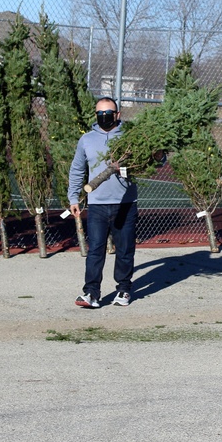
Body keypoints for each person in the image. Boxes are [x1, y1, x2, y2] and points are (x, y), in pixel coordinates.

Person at [68, 97, 139, 308]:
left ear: (117, 115)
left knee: (125, 250)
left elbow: (153, 159)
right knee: (95, 250)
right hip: (97, 204)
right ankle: (91, 293)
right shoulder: (87, 140)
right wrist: (73, 197)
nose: (104, 117)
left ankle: (124, 289)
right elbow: (77, 169)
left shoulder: (131, 137)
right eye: (100, 113)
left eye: (108, 113)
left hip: (125, 204)